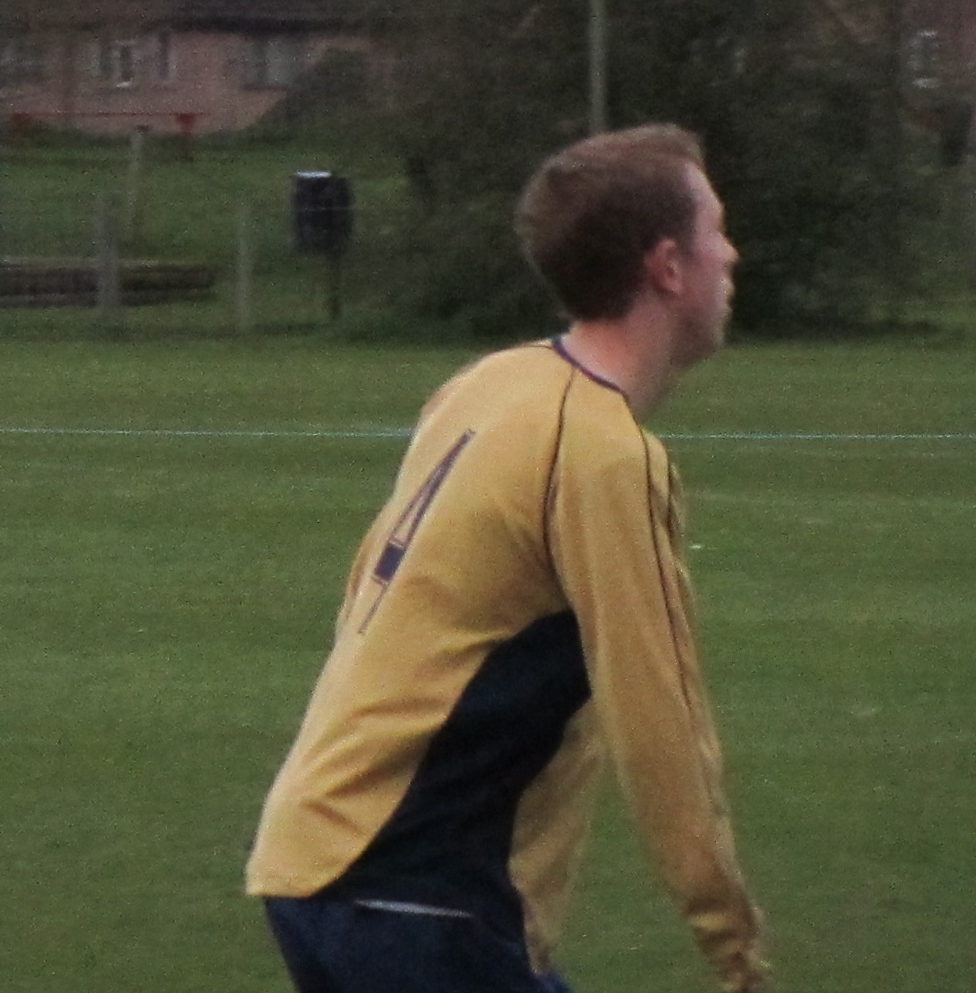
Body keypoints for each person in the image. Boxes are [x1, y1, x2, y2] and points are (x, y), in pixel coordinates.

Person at [249, 124, 770, 993]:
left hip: (320, 859)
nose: (733, 252)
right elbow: (661, 722)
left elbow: (369, 592)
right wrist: (733, 947)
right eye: (716, 229)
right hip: (414, 894)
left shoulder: (494, 383)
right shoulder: (604, 456)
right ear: (669, 267)